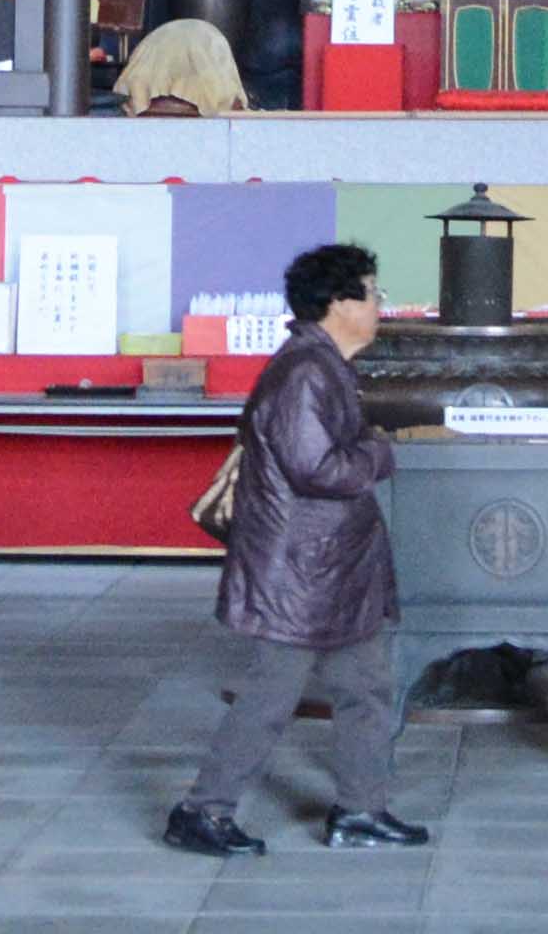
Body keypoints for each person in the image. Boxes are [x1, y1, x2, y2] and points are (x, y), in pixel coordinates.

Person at [167, 240, 426, 860]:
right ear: (340, 303)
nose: (379, 306)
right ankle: (201, 812)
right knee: (269, 698)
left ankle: (361, 810)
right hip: (299, 572)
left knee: (366, 687)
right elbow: (320, 469)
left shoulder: (325, 363)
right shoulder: (306, 371)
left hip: (332, 567)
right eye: (373, 293)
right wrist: (388, 449)